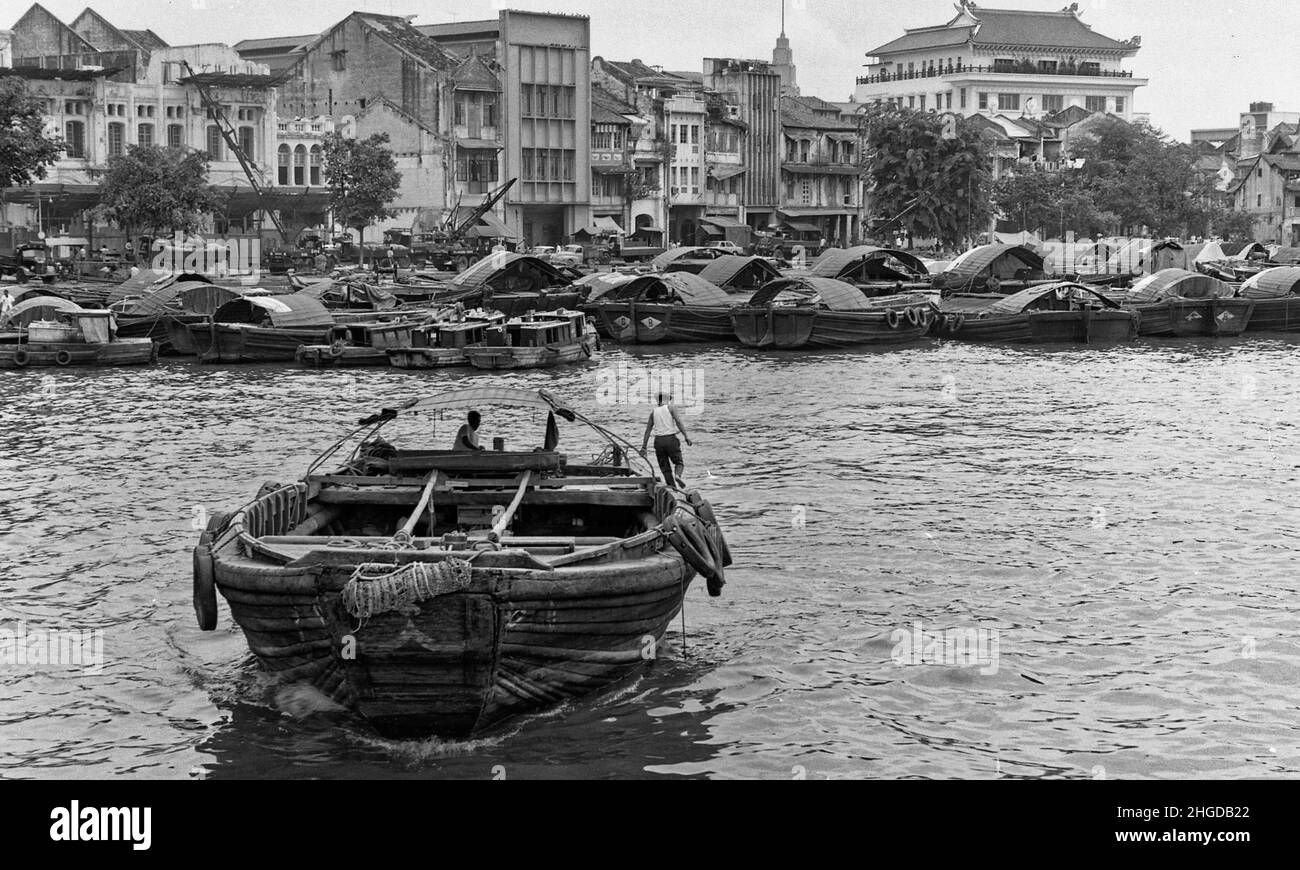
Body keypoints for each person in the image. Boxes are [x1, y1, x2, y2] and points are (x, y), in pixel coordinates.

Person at [640, 393, 693, 489]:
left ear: (658, 401)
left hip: (659, 441)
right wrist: (686, 436)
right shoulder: (671, 408)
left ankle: (673, 488)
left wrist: (644, 447)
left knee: (665, 468)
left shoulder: (653, 412)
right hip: (671, 439)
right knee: (678, 463)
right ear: (666, 400)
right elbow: (679, 422)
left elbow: (648, 431)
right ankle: (677, 476)